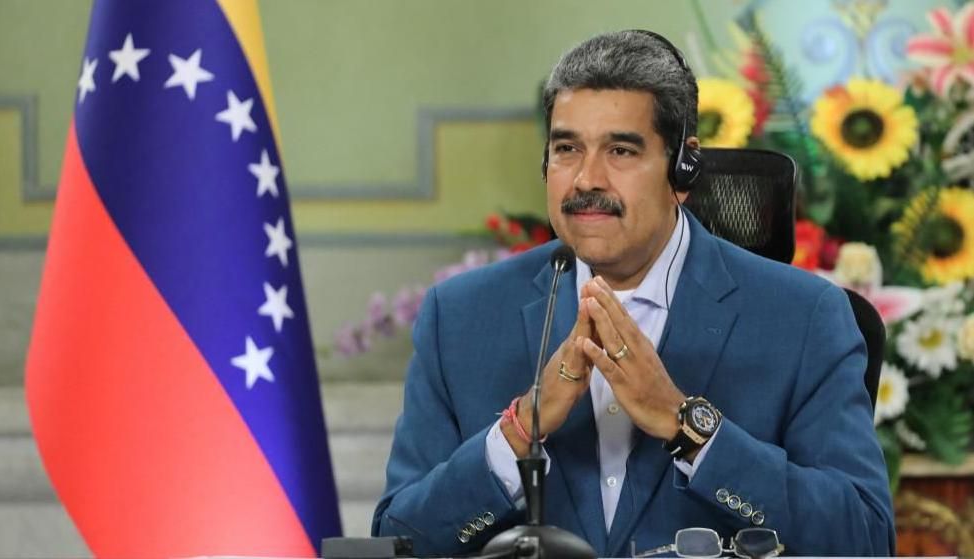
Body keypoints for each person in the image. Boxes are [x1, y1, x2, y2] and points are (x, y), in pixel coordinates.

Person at [372, 30, 894, 557]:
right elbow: (398, 542)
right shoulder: (460, 317)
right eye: (567, 149)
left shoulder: (803, 319)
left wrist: (688, 427)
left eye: (620, 150)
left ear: (683, 169)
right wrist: (516, 434)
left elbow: (864, 538)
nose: (585, 179)